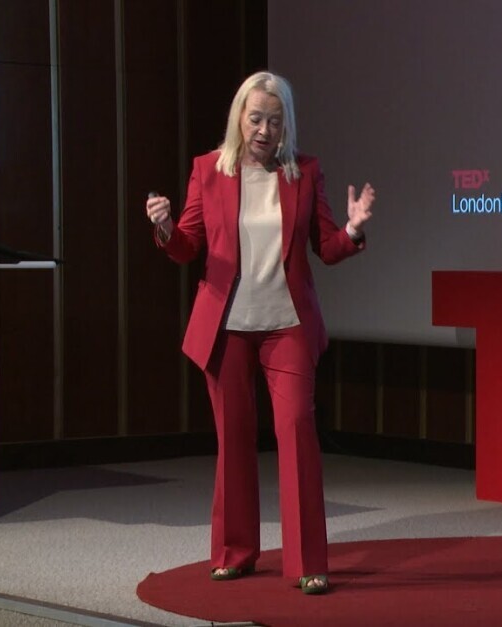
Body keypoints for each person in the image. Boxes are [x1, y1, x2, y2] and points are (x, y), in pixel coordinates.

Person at [144, 70, 374, 595]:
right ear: (239, 120)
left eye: (274, 120)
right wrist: (165, 227)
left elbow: (326, 246)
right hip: (225, 327)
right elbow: (187, 246)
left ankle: (308, 562)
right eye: (255, 119)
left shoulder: (304, 172)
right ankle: (234, 552)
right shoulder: (209, 170)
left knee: (297, 430)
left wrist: (353, 229)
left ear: (286, 125)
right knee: (234, 440)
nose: (264, 130)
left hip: (287, 325)